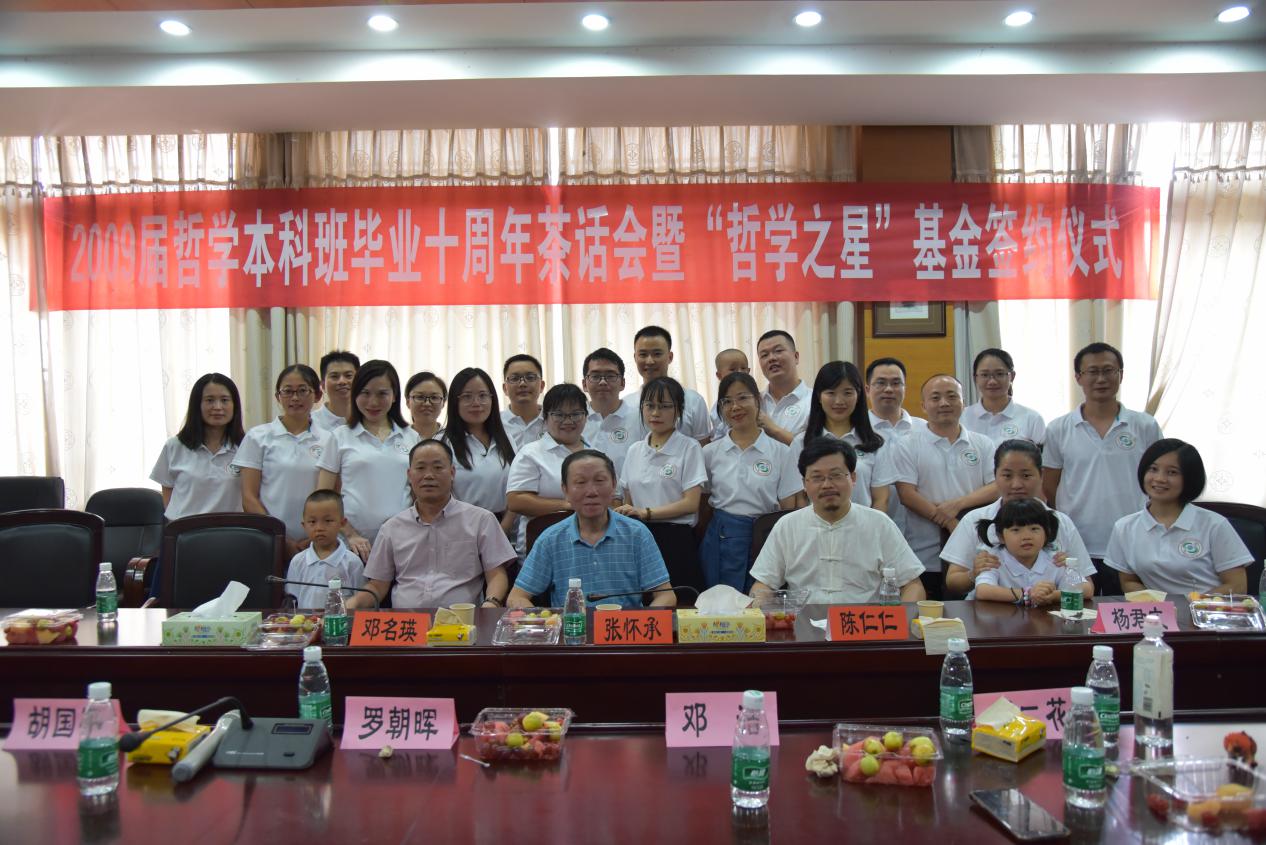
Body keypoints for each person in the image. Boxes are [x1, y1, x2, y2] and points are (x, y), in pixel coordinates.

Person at [1043, 342, 1163, 593]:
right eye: (1092, 371)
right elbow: (1049, 486)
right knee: (1078, 609)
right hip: (1077, 543)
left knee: (1126, 611)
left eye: (1108, 370)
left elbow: (1158, 481)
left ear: (1121, 374)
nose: (1101, 379)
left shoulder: (1145, 425)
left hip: (1132, 541)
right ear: (1078, 377)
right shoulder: (1058, 428)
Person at [751, 439, 925, 605]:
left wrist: (900, 620)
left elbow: (912, 585)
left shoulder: (880, 524)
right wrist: (760, 606)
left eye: (836, 475)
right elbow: (763, 584)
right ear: (804, 483)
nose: (827, 485)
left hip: (864, 622)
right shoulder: (787, 526)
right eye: (817, 477)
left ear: (853, 478)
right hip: (802, 621)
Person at [348, 439, 516, 610]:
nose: (428, 475)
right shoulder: (391, 528)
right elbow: (377, 586)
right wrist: (351, 604)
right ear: (409, 475)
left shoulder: (481, 520)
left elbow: (496, 574)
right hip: (407, 622)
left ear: (452, 473)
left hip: (461, 620)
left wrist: (491, 602)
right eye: (420, 468)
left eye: (437, 467)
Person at [508, 450, 675, 610]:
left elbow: (666, 595)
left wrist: (645, 622)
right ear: (565, 490)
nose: (591, 492)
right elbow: (517, 597)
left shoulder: (637, 534)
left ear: (614, 485)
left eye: (600, 480)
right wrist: (543, 621)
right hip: (572, 627)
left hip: (624, 628)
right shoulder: (551, 539)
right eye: (580, 483)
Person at [882, 374, 997, 599]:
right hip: (925, 554)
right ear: (924, 406)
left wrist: (958, 505)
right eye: (935, 398)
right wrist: (949, 521)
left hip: (973, 553)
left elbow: (996, 487)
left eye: (952, 396)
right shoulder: (907, 444)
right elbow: (907, 495)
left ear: (963, 402)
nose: (944, 403)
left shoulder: (983, 443)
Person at [943, 439, 1095, 598]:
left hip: (1048, 610)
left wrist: (1069, 570)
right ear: (995, 475)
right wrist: (974, 573)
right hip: (988, 611)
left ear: (1041, 475)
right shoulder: (974, 519)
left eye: (1026, 475)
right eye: (1007, 475)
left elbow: (1087, 585)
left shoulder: (1061, 522)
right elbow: (953, 582)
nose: (1016, 484)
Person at [1105, 439, 1252, 596]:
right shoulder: (1124, 527)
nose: (1160, 478)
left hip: (1207, 608)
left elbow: (1237, 586)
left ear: (1190, 478)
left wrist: (1194, 604)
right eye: (1153, 469)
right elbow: (1129, 581)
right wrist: (1159, 605)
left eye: (1172, 472)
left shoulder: (1214, 525)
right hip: (1157, 610)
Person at [701, 371, 796, 592]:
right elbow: (703, 504)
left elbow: (788, 507)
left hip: (766, 537)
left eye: (743, 398)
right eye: (727, 401)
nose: (735, 407)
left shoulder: (781, 452)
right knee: (721, 601)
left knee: (761, 601)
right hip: (722, 538)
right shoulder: (710, 452)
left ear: (758, 400)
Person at [316, 360, 420, 558]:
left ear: (394, 395)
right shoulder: (340, 436)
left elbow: (418, 494)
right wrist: (350, 534)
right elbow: (323, 496)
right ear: (355, 394)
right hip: (352, 544)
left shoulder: (411, 437)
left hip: (402, 540)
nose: (373, 402)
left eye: (382, 394)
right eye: (365, 393)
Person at [615, 377, 708, 596]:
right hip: (639, 538)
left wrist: (645, 513)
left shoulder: (689, 447)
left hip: (676, 539)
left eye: (665, 406)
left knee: (679, 603)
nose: (656, 413)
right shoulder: (635, 450)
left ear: (678, 410)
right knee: (642, 604)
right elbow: (627, 500)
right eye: (650, 406)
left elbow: (691, 503)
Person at [234, 364, 336, 557]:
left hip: (315, 542)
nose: (295, 398)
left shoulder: (329, 439)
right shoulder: (258, 437)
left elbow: (332, 494)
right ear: (278, 397)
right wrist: (281, 539)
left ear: (317, 395)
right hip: (267, 539)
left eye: (302, 390)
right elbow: (249, 498)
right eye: (288, 391)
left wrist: (314, 536)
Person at [779, 361, 889, 512]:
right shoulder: (801, 443)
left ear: (858, 395)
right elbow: (797, 498)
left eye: (847, 393)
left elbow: (881, 499)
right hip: (815, 525)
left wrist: (869, 525)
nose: (839, 401)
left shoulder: (874, 443)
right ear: (819, 396)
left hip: (863, 524)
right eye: (831, 393)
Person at [506, 383, 591, 553]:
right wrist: (568, 505)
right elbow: (516, 500)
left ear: (586, 416)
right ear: (545, 418)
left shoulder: (596, 454)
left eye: (576, 414)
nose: (568, 421)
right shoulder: (531, 453)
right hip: (541, 547)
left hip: (589, 545)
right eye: (559, 415)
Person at [151, 373, 246, 520]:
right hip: (186, 530)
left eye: (224, 400)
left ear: (235, 405)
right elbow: (167, 489)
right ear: (197, 405)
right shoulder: (175, 446)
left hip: (232, 529)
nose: (217, 407)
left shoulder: (246, 447)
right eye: (209, 400)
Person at [971, 497, 1091, 606]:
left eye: (1034, 529)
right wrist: (1027, 594)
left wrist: (1052, 595)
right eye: (1016, 530)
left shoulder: (1055, 559)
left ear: (1046, 532)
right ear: (1000, 536)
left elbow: (1087, 590)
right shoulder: (994, 559)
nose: (1026, 537)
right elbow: (983, 591)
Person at [442, 367, 517, 536]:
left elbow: (516, 488)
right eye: (467, 397)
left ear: (492, 399)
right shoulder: (443, 442)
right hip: (461, 530)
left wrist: (501, 530)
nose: (476, 403)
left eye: (483, 396)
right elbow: (440, 496)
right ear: (455, 402)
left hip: (505, 529)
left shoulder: (506, 438)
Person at [864, 357, 927, 536]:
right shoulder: (858, 433)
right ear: (867, 390)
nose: (889, 389)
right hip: (874, 529)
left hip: (922, 531)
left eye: (896, 383)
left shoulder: (924, 429)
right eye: (881, 383)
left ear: (905, 388)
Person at [621, 325, 712, 442]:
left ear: (670, 357)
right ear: (635, 357)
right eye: (643, 354)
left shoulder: (694, 401)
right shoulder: (626, 405)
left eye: (657, 354)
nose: (650, 361)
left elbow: (703, 446)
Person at [283, 489, 366, 609]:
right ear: (304, 525)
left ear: (342, 523)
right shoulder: (297, 561)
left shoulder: (352, 563)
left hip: (340, 620)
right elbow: (292, 601)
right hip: (305, 621)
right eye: (312, 522)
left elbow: (361, 603)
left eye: (328, 521)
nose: (319, 528)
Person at [963, 348, 1046, 446]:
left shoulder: (1032, 419)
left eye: (999, 374)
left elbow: (1042, 455)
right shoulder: (962, 418)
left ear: (1012, 376)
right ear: (975, 378)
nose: (992, 381)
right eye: (985, 375)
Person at [581, 347, 643, 479]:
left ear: (622, 383)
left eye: (610, 376)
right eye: (595, 376)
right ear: (584, 384)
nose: (603, 382)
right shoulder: (574, 420)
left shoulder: (641, 419)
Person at [755, 329, 811, 446]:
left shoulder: (815, 401)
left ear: (796, 357)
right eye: (764, 355)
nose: (771, 358)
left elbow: (820, 449)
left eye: (778, 351)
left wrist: (774, 430)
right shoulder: (754, 402)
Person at [501, 353, 546, 450]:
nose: (522, 384)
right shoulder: (495, 424)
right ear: (505, 388)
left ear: (542, 386)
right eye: (514, 378)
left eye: (530, 377)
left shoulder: (554, 421)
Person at [311, 350, 359, 431]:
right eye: (334, 376)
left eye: (348, 375)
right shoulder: (311, 422)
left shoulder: (368, 419)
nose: (342, 381)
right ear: (323, 385)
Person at [709, 348, 750, 439]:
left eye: (743, 368)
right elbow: (718, 437)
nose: (740, 372)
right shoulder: (718, 408)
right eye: (733, 369)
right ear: (719, 375)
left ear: (748, 371)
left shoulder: (756, 398)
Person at [405, 370, 447, 441]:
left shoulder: (453, 439)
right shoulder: (396, 438)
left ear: (443, 403)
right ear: (408, 402)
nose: (427, 403)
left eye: (434, 397)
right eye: (420, 397)